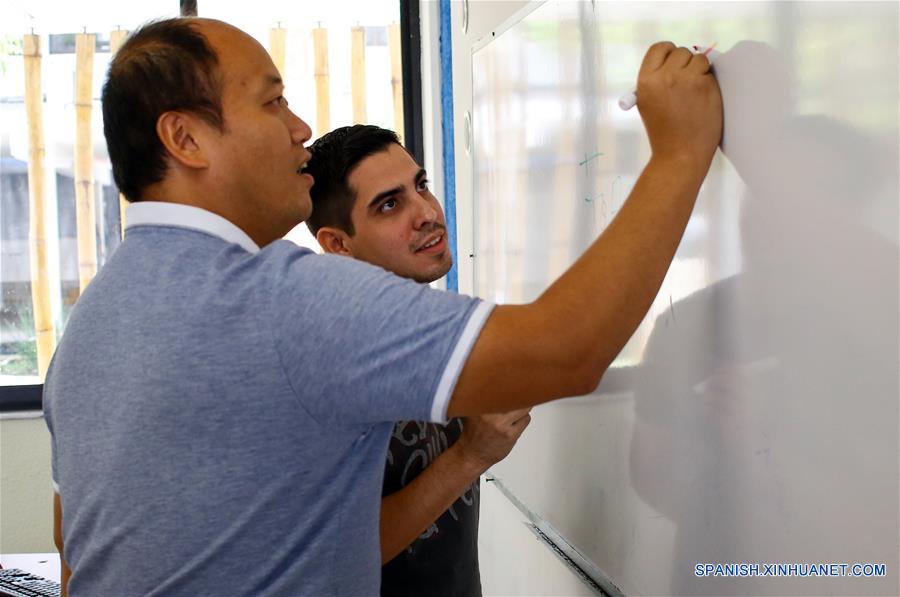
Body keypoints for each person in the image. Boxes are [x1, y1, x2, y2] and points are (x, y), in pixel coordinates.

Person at [43, 16, 722, 597]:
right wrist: (679, 152)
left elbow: (77, 554)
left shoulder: (90, 327)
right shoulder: (286, 296)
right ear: (184, 139)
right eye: (274, 102)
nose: (300, 127)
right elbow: (566, 350)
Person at [304, 124, 530, 596]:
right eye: (390, 204)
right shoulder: (328, 360)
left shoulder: (432, 331)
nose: (427, 213)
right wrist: (471, 456)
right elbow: (344, 546)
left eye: (421, 186)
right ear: (338, 243)